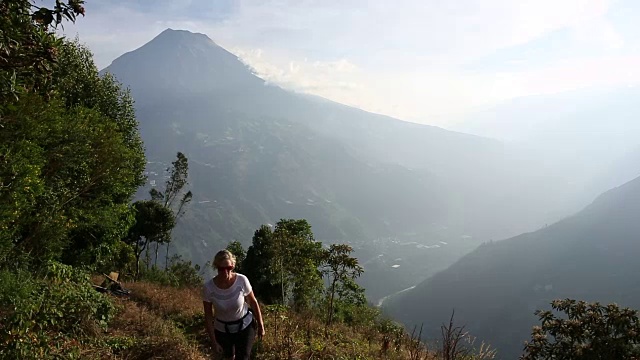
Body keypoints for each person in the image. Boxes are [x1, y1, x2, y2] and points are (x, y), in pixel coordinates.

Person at [203, 250, 265, 360]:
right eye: (221, 269)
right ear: (216, 267)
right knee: (228, 357)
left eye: (229, 268)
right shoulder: (209, 288)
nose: (226, 272)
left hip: (245, 326)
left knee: (244, 357)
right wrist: (214, 341)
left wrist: (261, 325)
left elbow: (253, 302)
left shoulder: (241, 280)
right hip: (222, 330)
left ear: (233, 266)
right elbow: (208, 316)